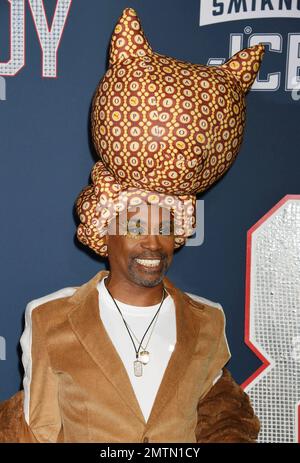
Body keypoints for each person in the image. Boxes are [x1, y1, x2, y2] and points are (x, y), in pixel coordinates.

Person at [0, 7, 264, 442]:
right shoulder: (50, 318)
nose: (153, 243)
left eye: (165, 226)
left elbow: (220, 411)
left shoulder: (208, 321)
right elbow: (35, 431)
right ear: (106, 229)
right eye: (137, 223)